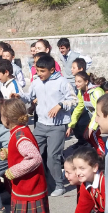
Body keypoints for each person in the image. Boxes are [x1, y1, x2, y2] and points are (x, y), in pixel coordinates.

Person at [0, 98, 52, 213]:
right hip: (27, 190)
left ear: (7, 118)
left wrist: (13, 171)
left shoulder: (20, 136)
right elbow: (23, 152)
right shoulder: (19, 132)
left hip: (28, 192)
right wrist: (8, 153)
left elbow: (34, 158)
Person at [21, 54, 77, 196]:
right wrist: (19, 96)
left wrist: (60, 105)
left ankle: (59, 185)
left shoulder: (62, 82)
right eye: (37, 70)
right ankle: (40, 183)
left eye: (42, 71)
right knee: (33, 153)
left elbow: (74, 100)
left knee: (53, 156)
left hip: (57, 126)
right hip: (40, 125)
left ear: (52, 70)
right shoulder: (36, 82)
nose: (39, 74)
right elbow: (30, 97)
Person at [67, 71, 106, 155]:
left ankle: (102, 155)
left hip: (103, 116)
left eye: (79, 81)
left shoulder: (96, 92)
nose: (76, 84)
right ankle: (97, 151)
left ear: (86, 82)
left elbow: (99, 110)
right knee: (87, 136)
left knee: (93, 135)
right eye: (75, 81)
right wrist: (71, 125)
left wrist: (92, 127)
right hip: (96, 117)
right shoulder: (82, 92)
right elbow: (79, 108)